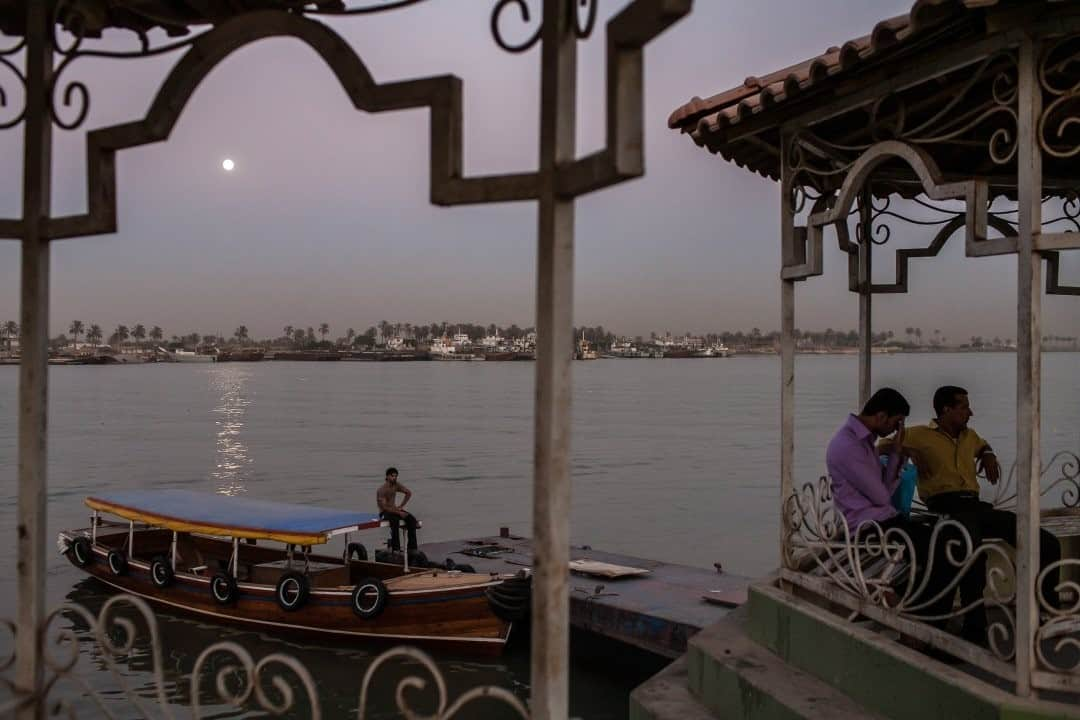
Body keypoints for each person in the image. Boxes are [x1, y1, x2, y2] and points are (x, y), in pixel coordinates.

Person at [898, 385, 1062, 644]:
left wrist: (987, 453)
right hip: (945, 508)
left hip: (975, 507)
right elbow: (880, 446)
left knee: (1046, 542)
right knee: (970, 553)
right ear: (946, 409)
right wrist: (906, 451)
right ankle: (974, 630)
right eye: (963, 407)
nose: (970, 412)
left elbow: (982, 444)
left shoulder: (969, 436)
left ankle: (1047, 613)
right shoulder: (918, 435)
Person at [826, 388, 956, 627]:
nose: (897, 430)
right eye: (896, 423)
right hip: (867, 529)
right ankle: (925, 625)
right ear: (881, 416)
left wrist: (896, 452)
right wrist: (895, 454)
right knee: (943, 549)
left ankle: (916, 616)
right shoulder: (848, 445)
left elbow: (882, 491)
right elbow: (882, 496)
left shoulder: (864, 442)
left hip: (883, 520)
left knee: (943, 541)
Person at [376, 467, 419, 555]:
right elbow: (384, 507)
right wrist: (399, 512)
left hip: (395, 509)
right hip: (384, 513)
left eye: (396, 476)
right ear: (387, 476)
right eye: (392, 476)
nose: (394, 478)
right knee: (395, 521)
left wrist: (401, 506)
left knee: (411, 519)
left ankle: (412, 547)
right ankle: (396, 548)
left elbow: (408, 493)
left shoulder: (396, 485)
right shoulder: (382, 490)